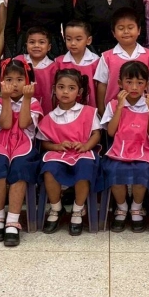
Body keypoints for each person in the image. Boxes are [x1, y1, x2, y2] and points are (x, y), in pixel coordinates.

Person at [0, 59, 43, 247]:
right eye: (9, 80)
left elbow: (23, 124)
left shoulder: (34, 102)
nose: (14, 84)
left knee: (20, 169)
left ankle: (13, 221)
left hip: (25, 148)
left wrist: (27, 99)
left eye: (20, 80)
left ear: (28, 82)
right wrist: (6, 99)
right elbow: (6, 124)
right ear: (1, 82)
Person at [37, 69, 101, 236]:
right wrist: (57, 146)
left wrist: (86, 146)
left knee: (85, 168)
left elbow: (96, 134)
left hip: (82, 152)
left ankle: (78, 209)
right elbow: (44, 142)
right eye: (61, 87)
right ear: (54, 89)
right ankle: (56, 208)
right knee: (49, 170)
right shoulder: (49, 117)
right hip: (59, 154)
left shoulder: (88, 112)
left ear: (79, 92)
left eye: (71, 88)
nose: (65, 92)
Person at [101, 61, 149, 233]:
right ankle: (122, 207)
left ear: (146, 85)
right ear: (120, 83)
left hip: (144, 149)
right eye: (129, 82)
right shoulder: (113, 105)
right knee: (113, 171)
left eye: (140, 83)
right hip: (119, 150)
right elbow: (111, 132)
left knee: (142, 171)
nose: (134, 87)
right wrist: (120, 107)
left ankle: (136, 206)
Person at [94, 7, 149, 114]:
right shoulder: (106, 57)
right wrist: (101, 110)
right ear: (114, 33)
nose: (126, 31)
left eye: (130, 27)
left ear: (139, 30)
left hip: (143, 111)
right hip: (114, 111)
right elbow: (102, 84)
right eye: (121, 28)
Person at [55, 21, 99, 108]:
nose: (73, 43)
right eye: (68, 39)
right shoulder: (59, 62)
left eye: (78, 39)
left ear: (88, 40)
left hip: (89, 108)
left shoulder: (96, 61)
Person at [16, 27, 58, 115]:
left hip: (45, 109)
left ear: (49, 47)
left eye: (41, 42)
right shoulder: (18, 61)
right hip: (19, 108)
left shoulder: (54, 67)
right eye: (32, 42)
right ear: (26, 45)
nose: (36, 45)